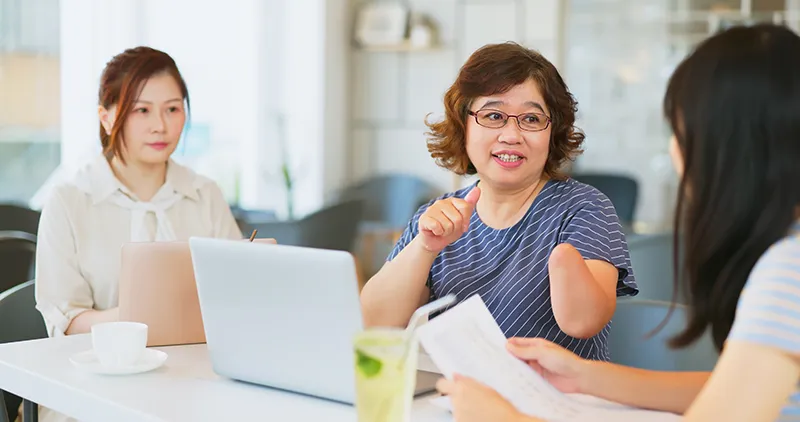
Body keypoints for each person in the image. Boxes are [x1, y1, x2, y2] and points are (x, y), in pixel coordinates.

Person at [437, 23, 800, 422]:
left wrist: (505, 419)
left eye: (681, 130)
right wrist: (585, 375)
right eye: (493, 116)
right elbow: (732, 392)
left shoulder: (789, 271)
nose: (675, 150)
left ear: (730, 148)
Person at [360, 42, 637, 361]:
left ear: (553, 132)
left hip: (553, 406)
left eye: (531, 119)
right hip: (455, 402)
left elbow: (584, 322)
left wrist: (562, 259)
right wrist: (425, 246)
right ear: (463, 125)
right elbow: (376, 323)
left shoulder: (585, 208)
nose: (511, 135)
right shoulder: (435, 218)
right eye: (494, 115)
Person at [34, 46, 243, 339]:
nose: (160, 126)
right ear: (106, 118)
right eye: (142, 110)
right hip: (102, 372)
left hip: (200, 365)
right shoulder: (69, 201)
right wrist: (146, 317)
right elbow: (66, 323)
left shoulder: (205, 194)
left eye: (172, 109)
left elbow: (240, 291)